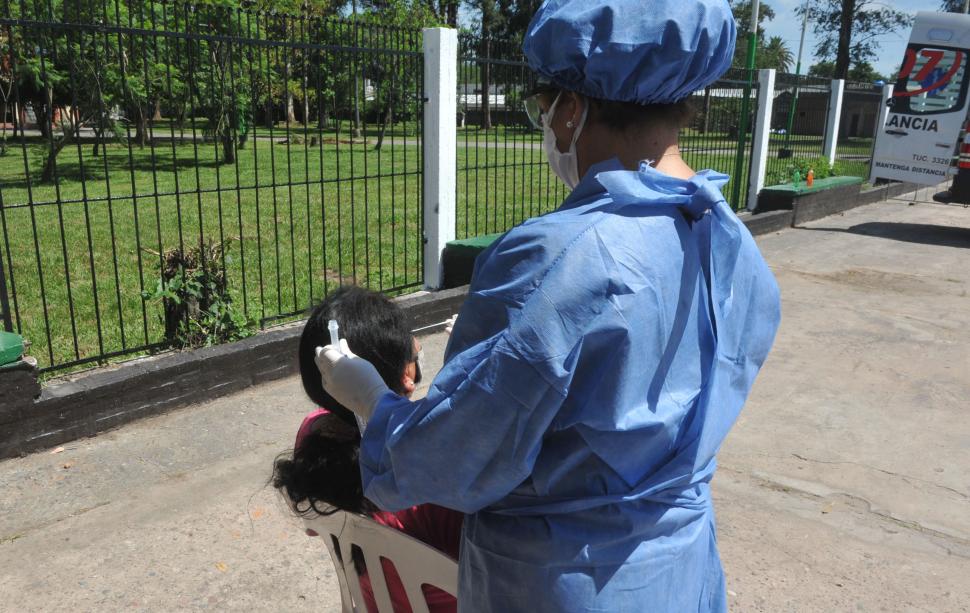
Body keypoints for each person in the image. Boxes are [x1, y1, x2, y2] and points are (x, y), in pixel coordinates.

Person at [315, 1, 782, 610]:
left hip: (559, 582)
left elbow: (453, 459)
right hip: (677, 569)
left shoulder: (558, 254)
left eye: (544, 107)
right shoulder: (727, 237)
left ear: (571, 110)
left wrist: (372, 402)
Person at [272, 286, 463, 613]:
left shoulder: (312, 431)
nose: (417, 348)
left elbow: (311, 527)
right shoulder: (433, 471)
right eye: (414, 355)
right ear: (406, 377)